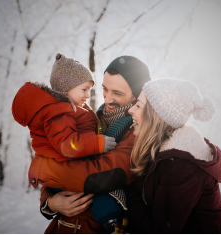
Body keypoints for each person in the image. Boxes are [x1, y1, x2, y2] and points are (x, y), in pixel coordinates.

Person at [28, 55, 152, 233]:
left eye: (117, 93)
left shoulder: (138, 131)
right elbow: (60, 157)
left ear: (137, 94)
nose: (107, 99)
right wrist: (51, 202)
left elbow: (104, 174)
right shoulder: (90, 120)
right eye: (104, 89)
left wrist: (45, 168)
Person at [12, 53, 124, 231]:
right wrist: (98, 143)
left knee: (98, 194)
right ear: (67, 88)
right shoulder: (59, 112)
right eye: (84, 89)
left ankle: (112, 222)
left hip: (67, 175)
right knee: (100, 196)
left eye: (90, 90)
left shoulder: (70, 110)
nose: (88, 95)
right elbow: (67, 145)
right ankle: (112, 224)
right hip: (64, 181)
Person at [126, 78, 221, 233]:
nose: (131, 110)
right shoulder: (166, 153)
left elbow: (159, 230)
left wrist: (124, 193)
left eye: (138, 105)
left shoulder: (180, 165)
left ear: (154, 116)